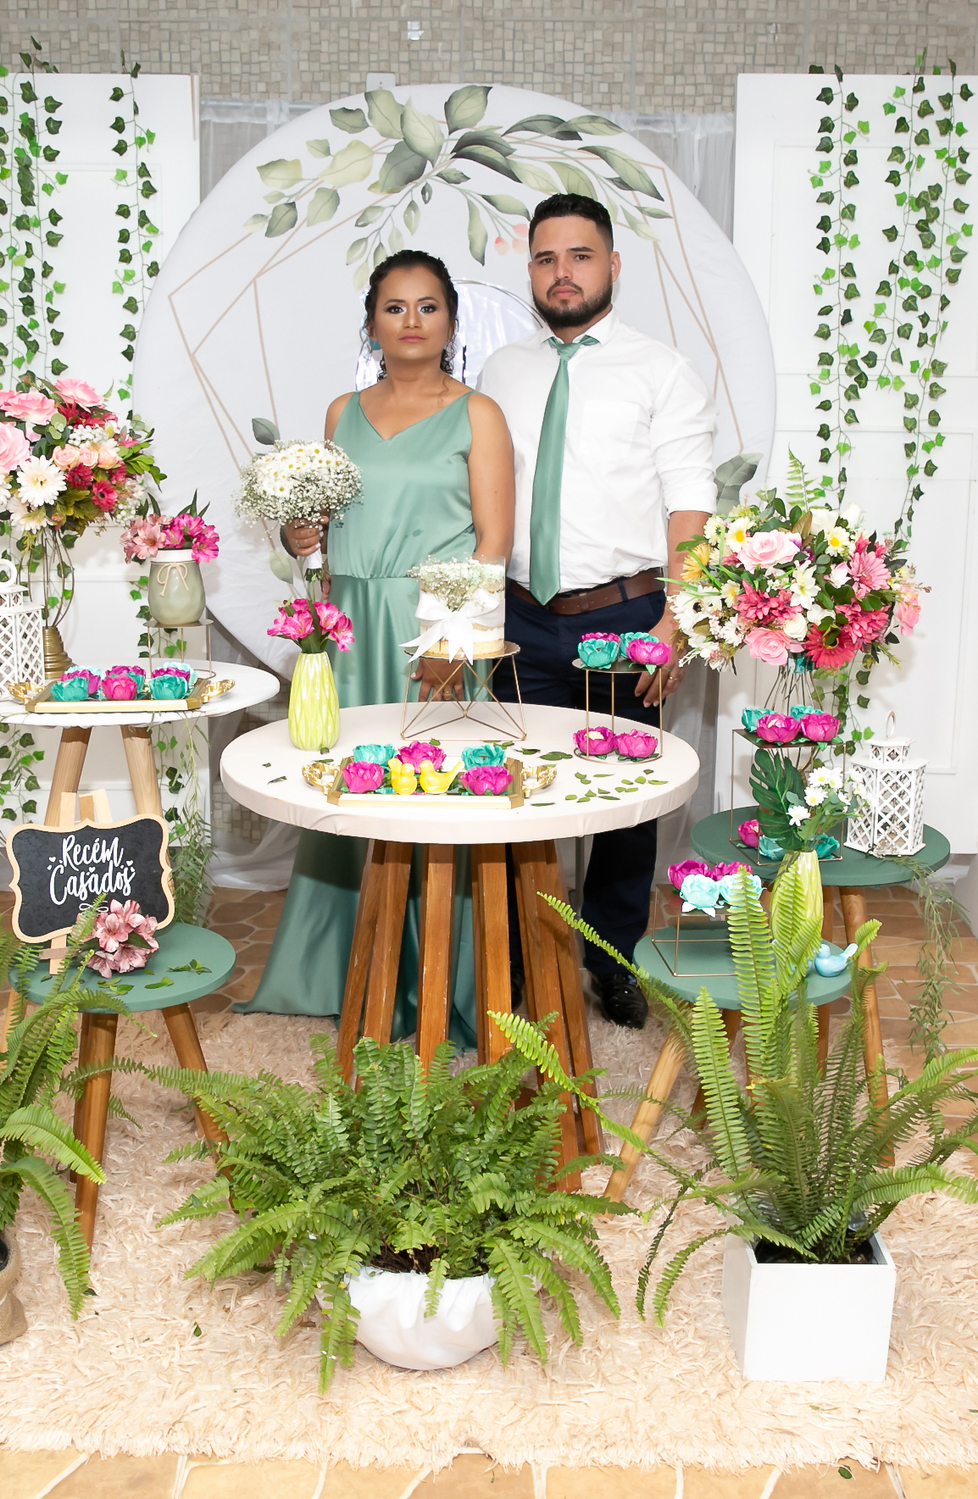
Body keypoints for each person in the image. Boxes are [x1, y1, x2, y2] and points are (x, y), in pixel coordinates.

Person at [239, 250, 515, 1041]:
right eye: (395, 307)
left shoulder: (479, 414)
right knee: (348, 790)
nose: (412, 321)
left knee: (434, 800)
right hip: (350, 626)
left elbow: (493, 542)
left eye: (428, 306)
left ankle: (439, 984)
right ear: (372, 323)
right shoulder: (341, 413)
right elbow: (323, 531)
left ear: (451, 322)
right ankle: (341, 970)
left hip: (435, 629)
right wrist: (302, 536)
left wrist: (454, 642)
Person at [478, 193, 716, 1030]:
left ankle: (612, 961)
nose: (563, 273)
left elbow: (690, 506)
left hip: (625, 617)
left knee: (621, 800)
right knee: (518, 792)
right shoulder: (501, 371)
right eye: (546, 258)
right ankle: (518, 960)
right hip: (518, 618)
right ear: (530, 270)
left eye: (580, 256)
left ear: (612, 266)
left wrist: (675, 623)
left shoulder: (662, 370)